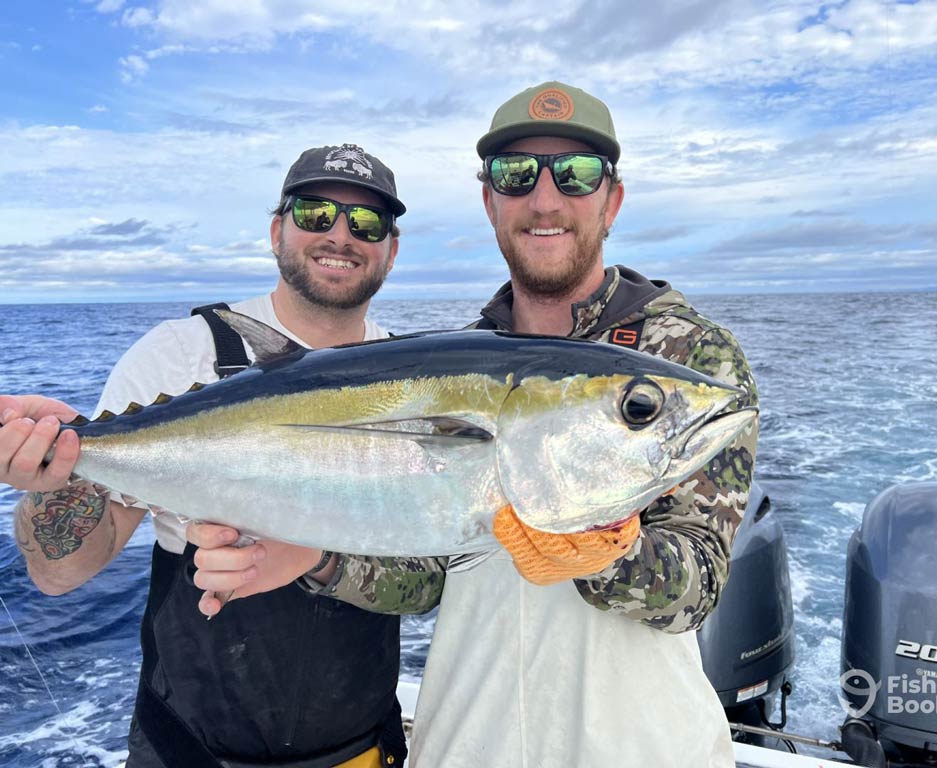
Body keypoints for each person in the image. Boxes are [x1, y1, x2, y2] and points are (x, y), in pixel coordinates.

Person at [190, 82, 760, 767]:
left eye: (575, 175)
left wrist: (607, 553)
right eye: (516, 175)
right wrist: (315, 558)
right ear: (490, 201)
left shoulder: (686, 361)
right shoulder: (450, 363)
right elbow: (431, 575)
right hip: (466, 745)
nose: (545, 200)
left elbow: (696, 588)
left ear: (612, 200)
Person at [0, 144, 445, 768]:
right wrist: (49, 472)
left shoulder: (422, 379)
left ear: (391, 250)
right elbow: (59, 573)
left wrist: (312, 559)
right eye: (315, 213)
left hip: (361, 752)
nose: (340, 235)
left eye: (366, 222)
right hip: (187, 752)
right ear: (276, 231)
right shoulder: (179, 357)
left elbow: (428, 579)